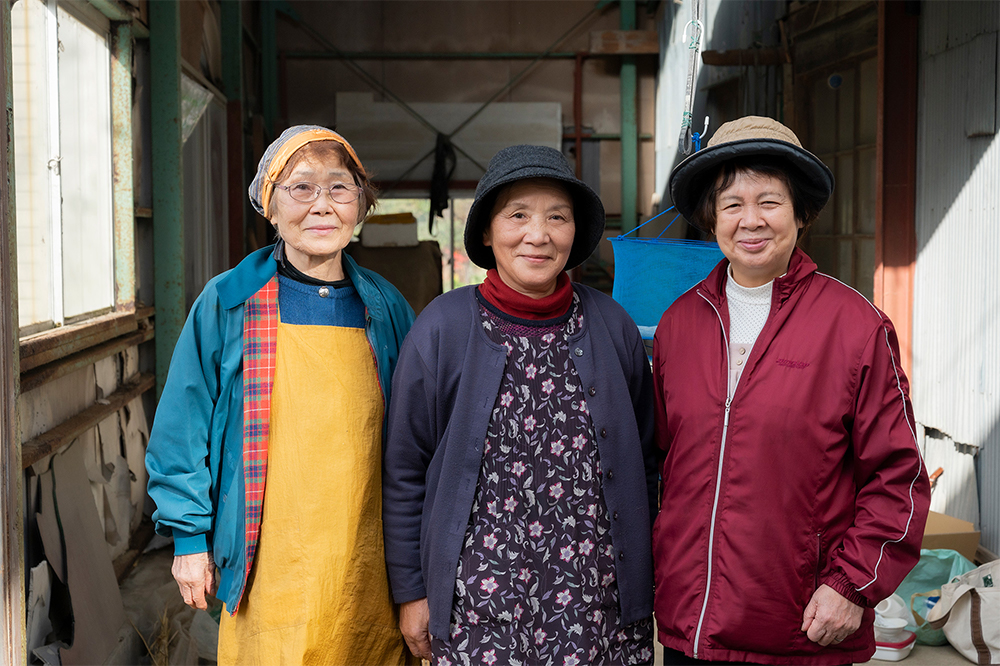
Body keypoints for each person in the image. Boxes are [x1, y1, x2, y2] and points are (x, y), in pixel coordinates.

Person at [651, 116, 931, 665]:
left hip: (802, 625)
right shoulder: (679, 324)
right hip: (692, 627)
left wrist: (852, 585)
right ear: (712, 219)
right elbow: (662, 463)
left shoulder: (855, 326)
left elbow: (898, 476)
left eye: (769, 202)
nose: (749, 221)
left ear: (801, 214)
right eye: (731, 204)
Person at [146, 125, 415, 664]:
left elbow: (417, 438)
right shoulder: (228, 302)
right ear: (269, 205)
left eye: (340, 188)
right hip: (267, 557)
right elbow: (182, 426)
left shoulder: (385, 308)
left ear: (361, 206)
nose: (322, 206)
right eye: (300, 188)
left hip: (365, 555)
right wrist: (189, 540)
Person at [383, 145, 657, 665]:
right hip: (479, 611)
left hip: (599, 608)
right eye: (518, 215)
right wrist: (413, 592)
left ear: (575, 232)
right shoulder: (442, 328)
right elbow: (403, 473)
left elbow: (645, 462)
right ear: (487, 232)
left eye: (558, 216)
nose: (539, 234)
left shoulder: (612, 325)